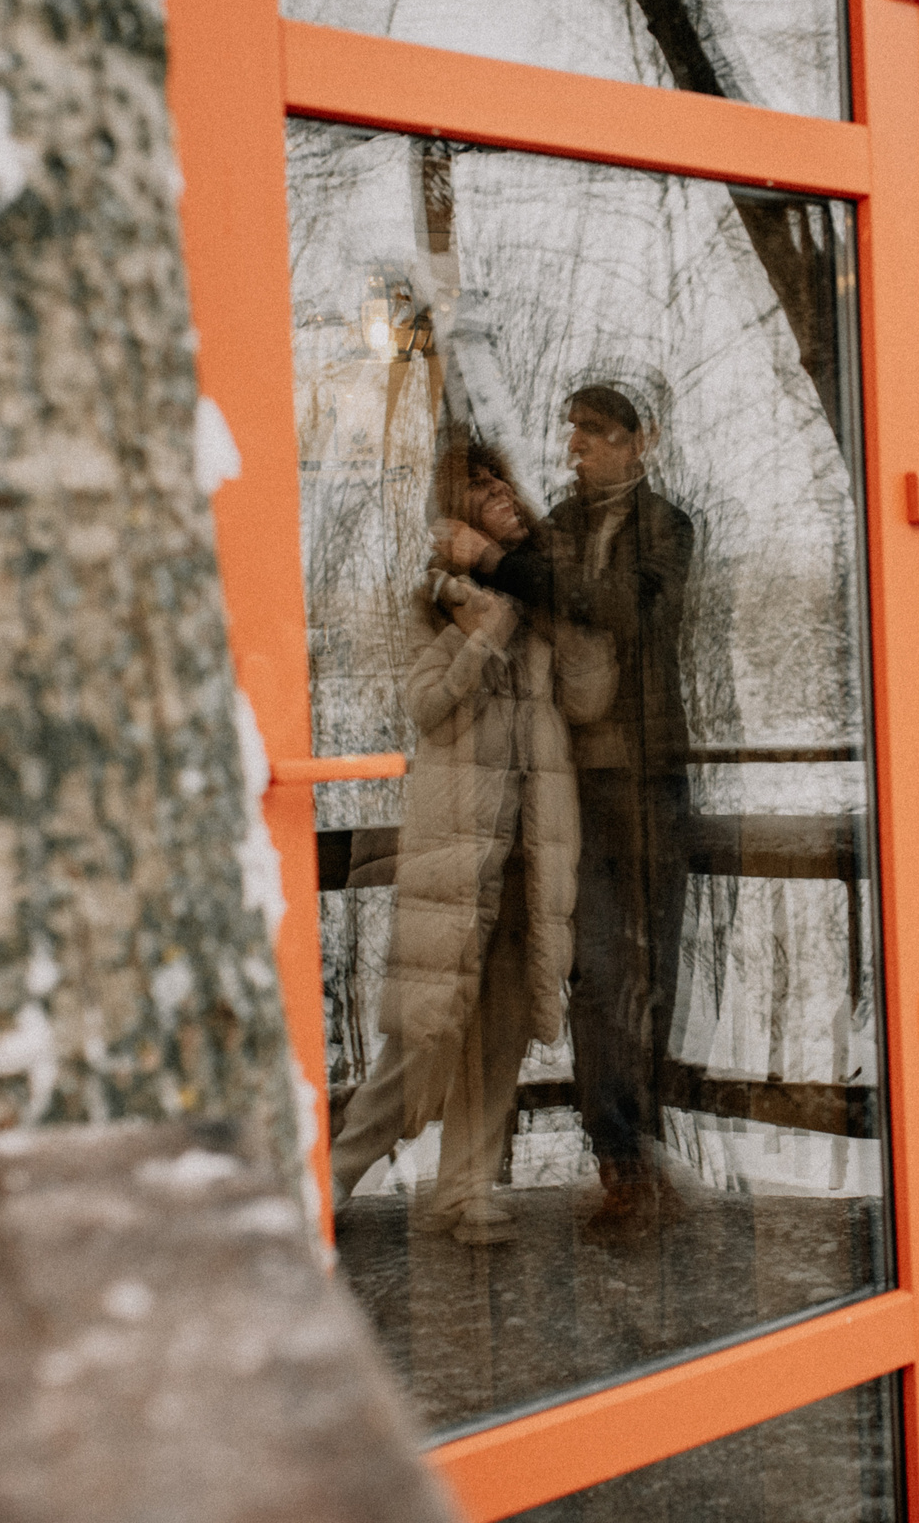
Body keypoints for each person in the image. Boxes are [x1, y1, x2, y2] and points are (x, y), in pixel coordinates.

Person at [332, 440, 613, 1244]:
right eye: (477, 486)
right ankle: (331, 1179)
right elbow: (424, 703)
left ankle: (467, 1188)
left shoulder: (547, 595)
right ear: (455, 514)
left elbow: (590, 698)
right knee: (422, 1033)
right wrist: (482, 634)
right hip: (458, 845)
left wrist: (562, 615)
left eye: (502, 481)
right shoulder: (436, 598)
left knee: (502, 1024)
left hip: (532, 845)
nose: (499, 493)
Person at [435, 382, 694, 1240]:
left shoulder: (668, 528)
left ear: (636, 442)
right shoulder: (562, 531)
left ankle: (642, 1162)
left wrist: (506, 565)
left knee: (649, 978)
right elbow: (545, 597)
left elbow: (619, 609)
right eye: (572, 433)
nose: (577, 447)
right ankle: (617, 1161)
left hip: (651, 787)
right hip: (580, 787)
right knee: (594, 975)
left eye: (595, 433)